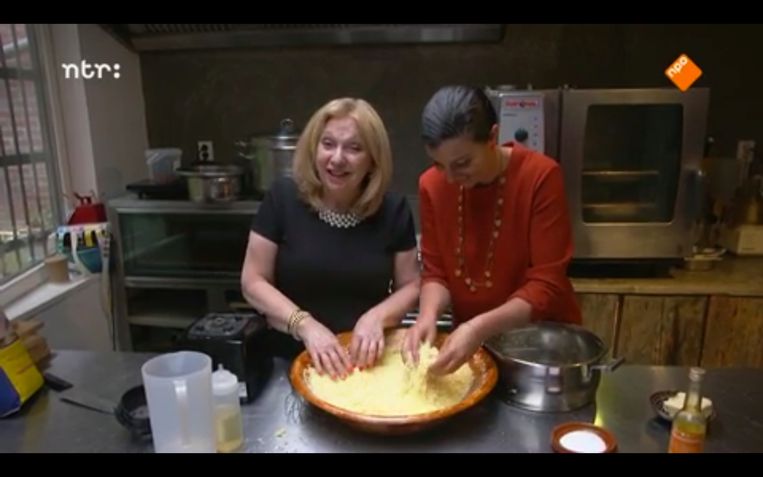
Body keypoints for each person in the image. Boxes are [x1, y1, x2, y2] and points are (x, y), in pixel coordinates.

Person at [402, 85, 581, 375]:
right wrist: (427, 316)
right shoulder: (431, 185)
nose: (449, 178)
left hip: (539, 351)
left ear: (493, 137)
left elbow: (546, 285)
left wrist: (477, 329)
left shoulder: (540, 177)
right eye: (439, 164)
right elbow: (437, 273)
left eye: (462, 163)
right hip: (471, 349)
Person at [241, 98, 419, 379]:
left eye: (354, 148)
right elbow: (253, 281)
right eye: (328, 144)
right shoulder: (282, 198)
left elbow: (411, 286)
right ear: (314, 149)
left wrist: (376, 317)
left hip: (364, 365)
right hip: (287, 360)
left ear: (373, 160)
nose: (337, 158)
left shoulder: (393, 210)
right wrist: (306, 325)